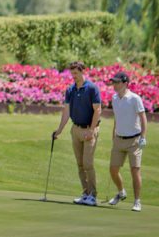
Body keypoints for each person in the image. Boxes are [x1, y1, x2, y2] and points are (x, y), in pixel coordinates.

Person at [51, 61, 102, 206]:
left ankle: (93, 195)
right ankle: (85, 193)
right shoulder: (70, 90)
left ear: (82, 72)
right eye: (72, 73)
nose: (73, 76)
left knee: (88, 163)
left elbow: (97, 110)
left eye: (76, 73)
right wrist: (59, 130)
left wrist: (91, 130)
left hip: (89, 129)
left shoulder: (92, 88)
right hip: (76, 130)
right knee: (80, 164)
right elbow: (66, 111)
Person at [106, 70, 147, 212]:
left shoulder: (135, 98)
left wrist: (143, 137)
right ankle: (121, 192)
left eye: (117, 82)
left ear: (125, 83)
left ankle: (137, 201)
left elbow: (143, 118)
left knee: (135, 171)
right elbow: (117, 118)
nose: (114, 85)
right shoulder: (114, 98)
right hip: (119, 139)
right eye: (113, 82)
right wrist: (113, 134)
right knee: (113, 169)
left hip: (134, 141)